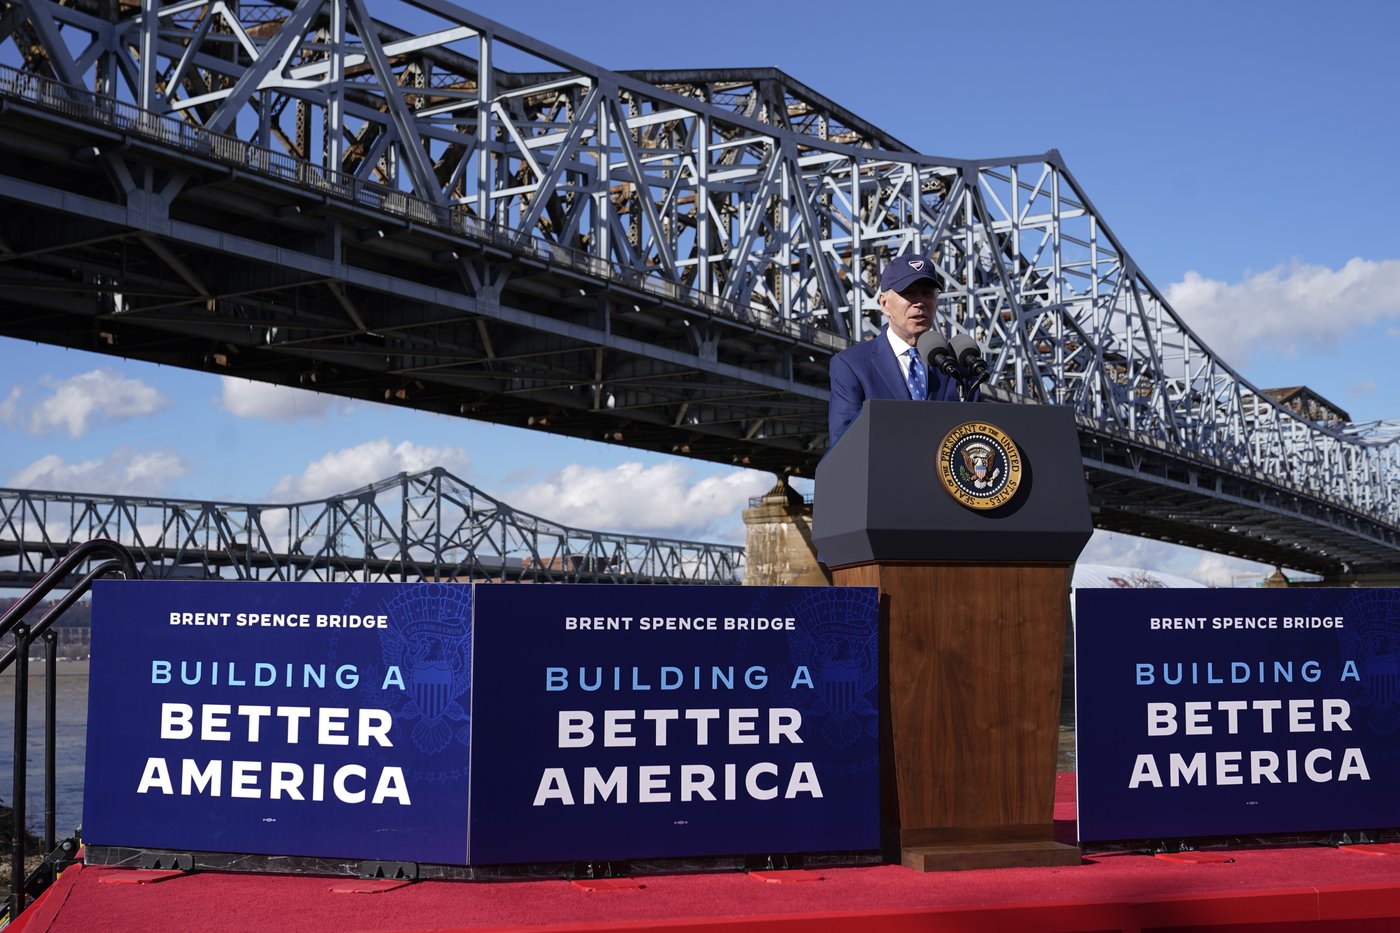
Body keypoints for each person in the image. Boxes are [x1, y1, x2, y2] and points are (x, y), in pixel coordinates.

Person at [827, 253, 977, 446]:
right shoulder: (852, 365)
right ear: (884, 304)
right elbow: (844, 444)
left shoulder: (960, 363)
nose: (920, 302)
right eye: (909, 294)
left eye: (927, 294)